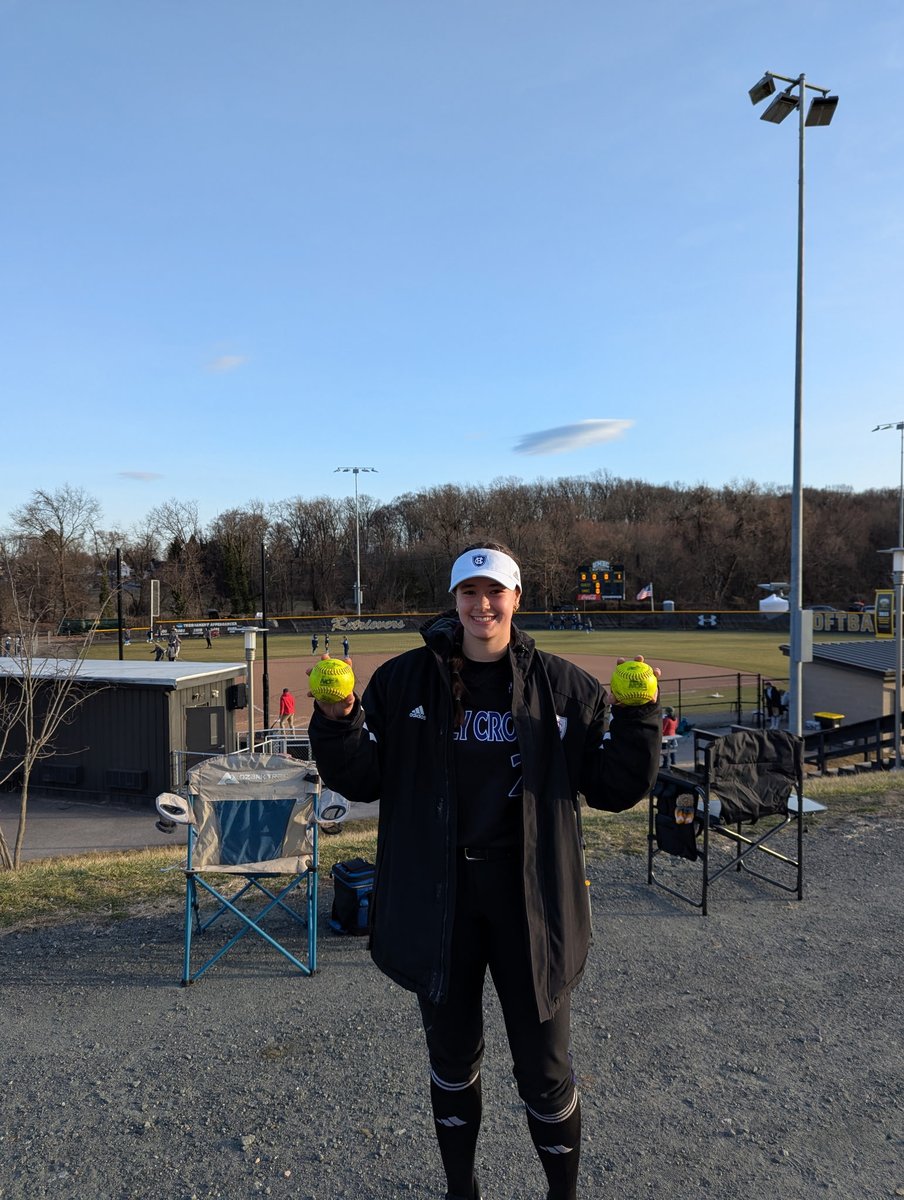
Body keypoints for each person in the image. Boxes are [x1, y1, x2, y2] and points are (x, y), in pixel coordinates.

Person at [310, 542, 660, 1200]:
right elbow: (359, 775)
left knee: (545, 1071)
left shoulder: (563, 688)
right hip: (440, 899)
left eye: (494, 591)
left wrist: (639, 719)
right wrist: (338, 719)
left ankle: (563, 1195)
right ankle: (461, 1190)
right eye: (469, 592)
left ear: (516, 599)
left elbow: (614, 787)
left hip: (531, 902)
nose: (481, 604)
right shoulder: (403, 682)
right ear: (455, 600)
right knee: (450, 1057)